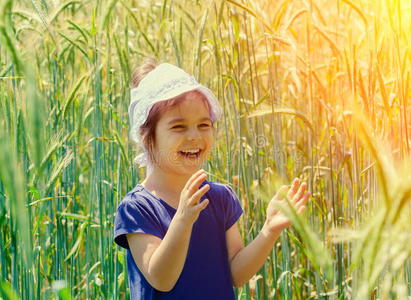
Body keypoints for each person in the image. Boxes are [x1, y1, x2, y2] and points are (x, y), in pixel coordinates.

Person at [113, 57, 310, 299]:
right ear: (146, 136)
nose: (195, 136)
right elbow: (162, 279)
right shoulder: (137, 208)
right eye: (178, 127)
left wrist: (268, 231)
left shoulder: (220, 198)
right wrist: (183, 220)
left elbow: (236, 274)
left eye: (204, 125)